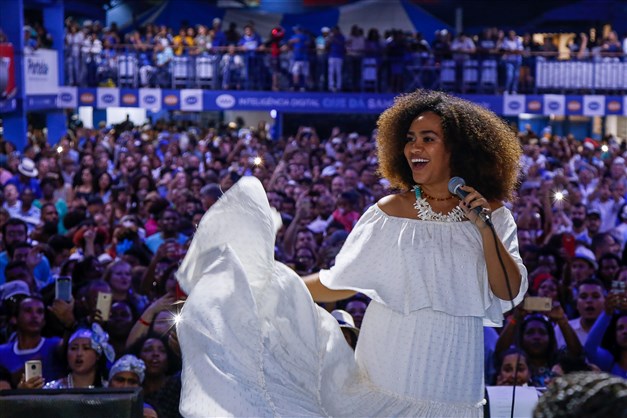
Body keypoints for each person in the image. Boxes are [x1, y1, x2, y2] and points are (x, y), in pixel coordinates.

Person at [176, 90, 527, 417]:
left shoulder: (492, 214)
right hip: (387, 370)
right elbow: (340, 283)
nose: (413, 147)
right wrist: (269, 287)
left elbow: (508, 292)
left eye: (428, 139)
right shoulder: (389, 212)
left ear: (459, 149)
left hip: (456, 378)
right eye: (408, 139)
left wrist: (483, 228)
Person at [44, 323, 114, 388]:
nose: (79, 354)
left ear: (98, 355)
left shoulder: (108, 389)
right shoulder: (53, 390)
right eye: (74, 348)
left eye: (86, 348)